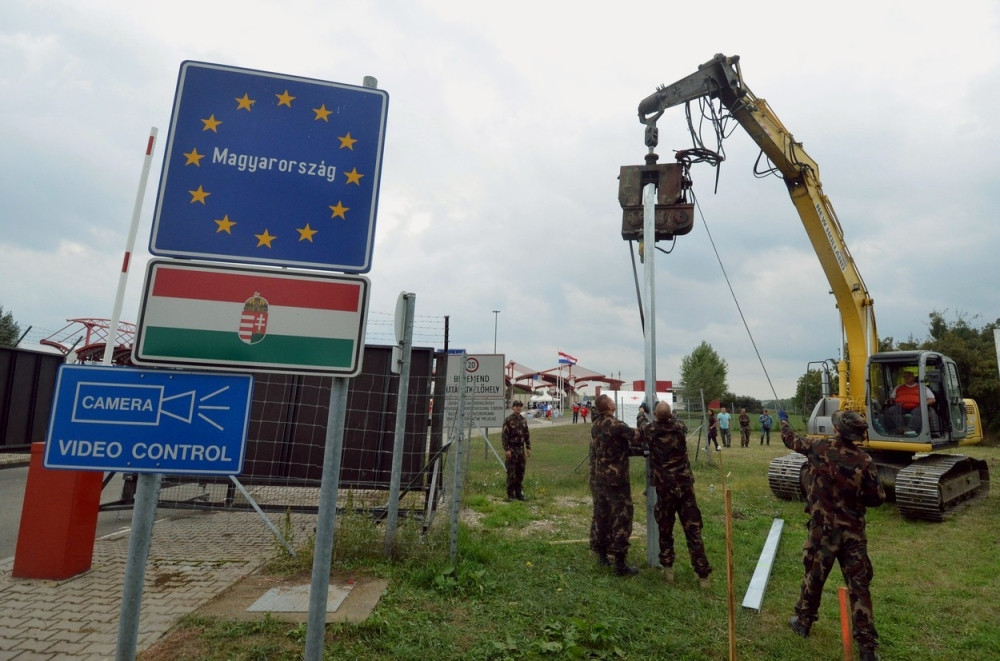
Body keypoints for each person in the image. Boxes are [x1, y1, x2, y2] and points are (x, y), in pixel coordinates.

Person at [780, 409, 885, 661]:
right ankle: (867, 649)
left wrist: (784, 423)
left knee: (814, 576)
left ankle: (803, 622)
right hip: (853, 534)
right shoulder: (864, 461)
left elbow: (791, 440)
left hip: (823, 530)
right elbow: (877, 498)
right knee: (859, 587)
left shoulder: (819, 447)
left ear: (837, 428)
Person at [644, 401, 712, 587]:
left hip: (665, 489)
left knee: (665, 530)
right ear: (671, 416)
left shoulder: (651, 430)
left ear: (656, 416)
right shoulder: (679, 427)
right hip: (684, 488)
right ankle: (703, 575)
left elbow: (642, 424)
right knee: (693, 530)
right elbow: (676, 422)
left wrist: (644, 411)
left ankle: (668, 570)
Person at [590, 394, 643, 575]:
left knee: (602, 518)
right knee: (622, 519)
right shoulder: (616, 425)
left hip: (600, 479)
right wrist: (642, 417)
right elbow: (635, 436)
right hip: (617, 481)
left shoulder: (595, 425)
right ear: (609, 405)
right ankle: (620, 564)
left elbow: (616, 446)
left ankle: (603, 556)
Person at [885, 369, 936, 434]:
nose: (906, 378)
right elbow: (892, 398)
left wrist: (925, 403)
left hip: (917, 407)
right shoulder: (898, 387)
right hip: (901, 407)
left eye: (908, 376)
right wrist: (889, 401)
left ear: (914, 377)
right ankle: (901, 429)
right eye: (905, 376)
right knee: (892, 410)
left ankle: (910, 430)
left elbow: (932, 399)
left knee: (919, 411)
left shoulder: (922, 387)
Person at [501, 400, 531, 501]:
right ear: (512, 407)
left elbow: (526, 434)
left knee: (520, 472)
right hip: (512, 449)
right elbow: (504, 436)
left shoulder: (523, 420)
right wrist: (507, 449)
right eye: (516, 406)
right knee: (511, 473)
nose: (518, 408)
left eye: (520, 406)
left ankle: (519, 494)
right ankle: (510, 495)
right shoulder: (508, 420)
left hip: (520, 449)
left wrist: (528, 447)